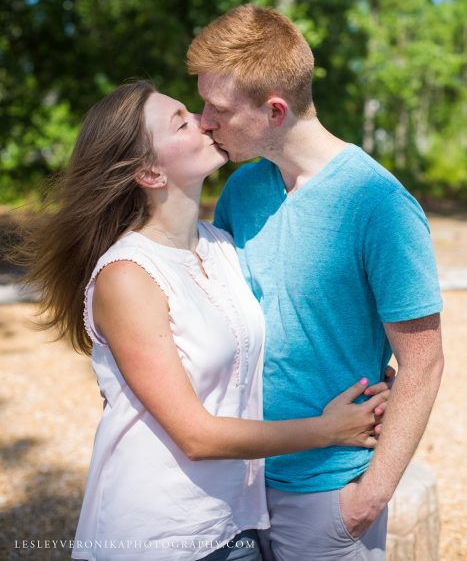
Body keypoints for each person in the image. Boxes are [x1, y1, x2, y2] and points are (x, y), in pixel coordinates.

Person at [20, 81, 391, 561]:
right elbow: (195, 435)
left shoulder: (221, 246)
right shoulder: (127, 276)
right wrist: (329, 429)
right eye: (181, 121)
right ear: (150, 172)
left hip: (235, 521)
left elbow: (279, 330)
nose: (205, 119)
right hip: (157, 534)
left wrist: (363, 365)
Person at [187, 4, 444, 561]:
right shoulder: (241, 191)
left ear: (274, 111)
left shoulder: (380, 205)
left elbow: (423, 362)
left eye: (218, 108)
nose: (204, 120)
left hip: (326, 495)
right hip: (235, 485)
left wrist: (368, 499)